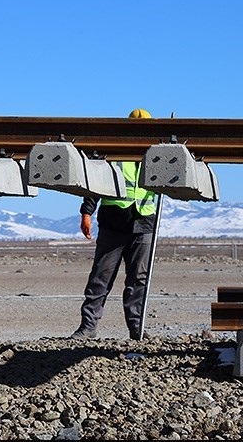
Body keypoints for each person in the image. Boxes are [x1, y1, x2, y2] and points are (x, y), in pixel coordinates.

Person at [70, 108, 157, 341]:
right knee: (101, 276)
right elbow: (96, 182)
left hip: (144, 223)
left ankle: (137, 329)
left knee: (138, 280)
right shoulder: (114, 150)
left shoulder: (157, 153)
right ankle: (88, 327)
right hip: (114, 223)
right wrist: (86, 212)